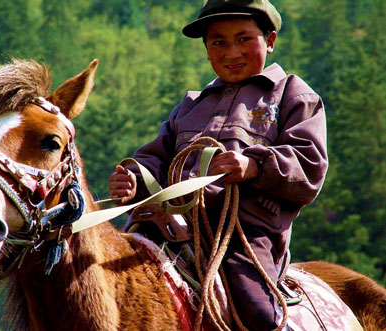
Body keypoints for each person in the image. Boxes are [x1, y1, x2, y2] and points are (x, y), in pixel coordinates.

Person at [108, 0, 328, 329]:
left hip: (243, 237)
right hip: (167, 226)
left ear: (269, 40)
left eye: (244, 39)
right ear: (207, 50)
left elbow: (309, 164)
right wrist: (136, 180)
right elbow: (155, 157)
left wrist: (254, 166)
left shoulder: (293, 96)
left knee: (258, 313)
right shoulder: (190, 105)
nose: (231, 52)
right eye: (218, 42)